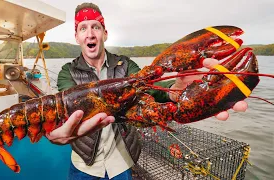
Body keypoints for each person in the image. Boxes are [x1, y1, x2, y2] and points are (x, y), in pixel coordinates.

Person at [46, 2, 248, 180]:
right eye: (83, 28)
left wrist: (173, 89)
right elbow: (70, 106)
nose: (90, 33)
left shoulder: (126, 65)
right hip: (84, 166)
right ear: (77, 37)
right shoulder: (67, 72)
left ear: (104, 33)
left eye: (96, 27)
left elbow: (154, 89)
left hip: (121, 163)